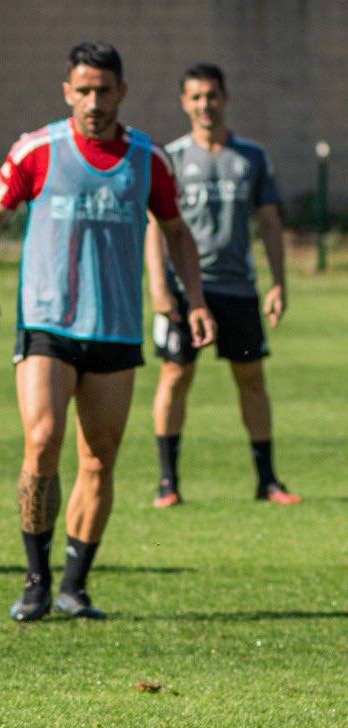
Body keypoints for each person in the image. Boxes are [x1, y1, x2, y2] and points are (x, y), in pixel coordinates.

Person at [0, 41, 213, 622]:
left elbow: (176, 232)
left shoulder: (148, 159)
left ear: (122, 92)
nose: (94, 102)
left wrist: (196, 300)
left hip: (116, 330)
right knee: (42, 440)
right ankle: (36, 581)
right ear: (67, 92)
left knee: (99, 460)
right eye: (83, 90)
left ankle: (75, 587)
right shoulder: (37, 150)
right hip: (47, 324)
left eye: (104, 90)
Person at [147, 63, 298, 507]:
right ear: (184, 102)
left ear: (225, 97)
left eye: (211, 95)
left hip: (238, 289)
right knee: (175, 375)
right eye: (195, 97)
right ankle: (168, 483)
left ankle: (268, 481)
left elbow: (269, 221)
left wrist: (279, 283)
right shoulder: (172, 157)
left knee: (251, 378)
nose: (204, 105)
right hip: (182, 289)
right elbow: (155, 226)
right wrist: (158, 288)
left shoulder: (251, 157)